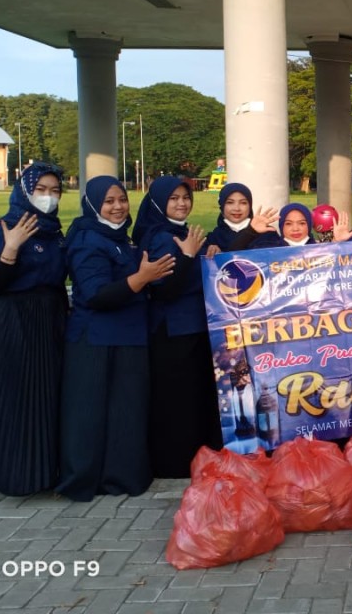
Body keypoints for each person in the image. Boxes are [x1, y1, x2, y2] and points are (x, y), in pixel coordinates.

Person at [58, 176, 175, 501]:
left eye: (121, 199)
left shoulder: (122, 239)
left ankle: (120, 477)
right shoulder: (86, 240)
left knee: (127, 411)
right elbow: (96, 294)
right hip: (96, 340)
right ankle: (83, 479)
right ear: (95, 204)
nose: (117, 206)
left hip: (129, 337)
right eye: (109, 201)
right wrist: (142, 278)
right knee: (88, 413)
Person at [0, 162, 68, 496]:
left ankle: (45, 473)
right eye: (40, 190)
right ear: (25, 191)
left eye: (54, 191)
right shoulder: (1, 227)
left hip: (50, 318)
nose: (47, 198)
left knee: (47, 395)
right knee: (15, 396)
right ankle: (13, 476)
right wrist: (11, 248)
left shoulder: (55, 232)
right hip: (16, 319)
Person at [132, 177, 220, 478]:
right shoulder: (160, 237)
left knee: (195, 400)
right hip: (172, 333)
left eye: (185, 197)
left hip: (194, 328)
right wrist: (187, 257)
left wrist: (208, 256)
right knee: (176, 404)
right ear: (158, 202)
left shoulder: (184, 233)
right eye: (173, 199)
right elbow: (164, 289)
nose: (181, 203)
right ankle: (175, 465)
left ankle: (196, 459)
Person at [230, 202, 315, 250]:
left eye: (302, 223)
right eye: (288, 223)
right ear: (282, 227)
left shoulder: (322, 250)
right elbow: (231, 257)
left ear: (309, 224)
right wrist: (251, 231)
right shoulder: (269, 249)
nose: (295, 229)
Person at [205, 182, 253, 257]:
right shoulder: (213, 239)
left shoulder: (265, 234)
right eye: (230, 202)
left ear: (250, 206)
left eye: (243, 203)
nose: (237, 208)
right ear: (222, 206)